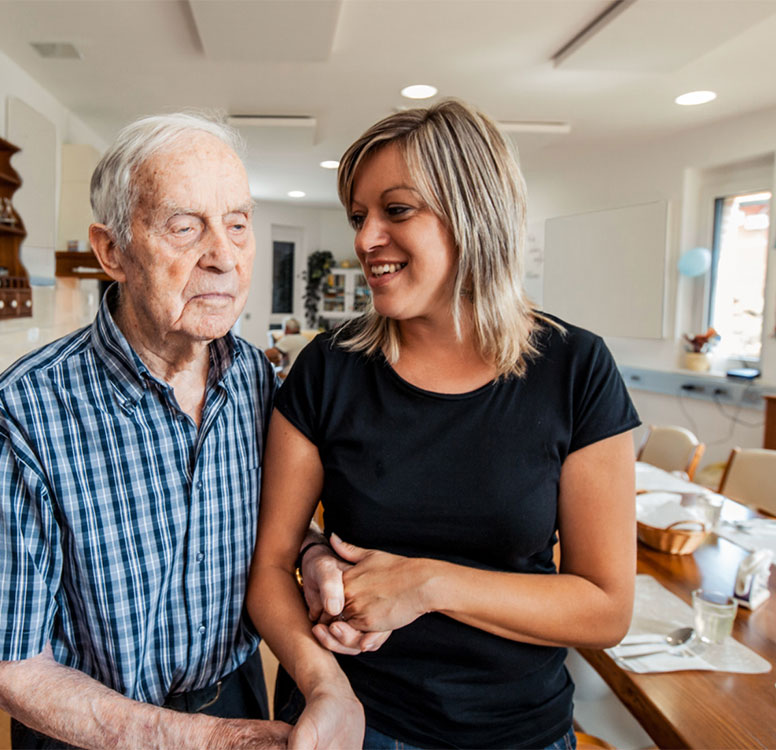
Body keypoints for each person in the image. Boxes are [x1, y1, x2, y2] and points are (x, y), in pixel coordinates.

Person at [247, 99, 641, 750]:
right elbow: (270, 565)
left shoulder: (574, 368)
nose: (365, 239)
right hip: (352, 721)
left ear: (474, 214)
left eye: (396, 210)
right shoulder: (329, 368)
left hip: (517, 731)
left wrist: (427, 585)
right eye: (358, 216)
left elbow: (605, 608)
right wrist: (325, 686)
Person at [0, 113, 300, 750]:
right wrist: (199, 741)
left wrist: (314, 551)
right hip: (87, 723)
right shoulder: (27, 410)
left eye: (238, 225)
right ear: (111, 252)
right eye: (185, 227)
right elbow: (12, 665)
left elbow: (272, 522)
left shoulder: (257, 384)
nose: (223, 257)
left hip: (236, 688)